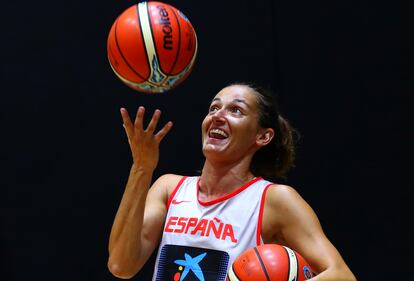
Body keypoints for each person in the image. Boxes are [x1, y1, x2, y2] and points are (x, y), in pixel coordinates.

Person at [107, 83, 356, 281]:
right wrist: (142, 167)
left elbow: (342, 275)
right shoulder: (169, 188)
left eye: (235, 110)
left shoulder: (274, 200)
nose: (217, 116)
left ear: (263, 136)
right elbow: (121, 266)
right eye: (214, 108)